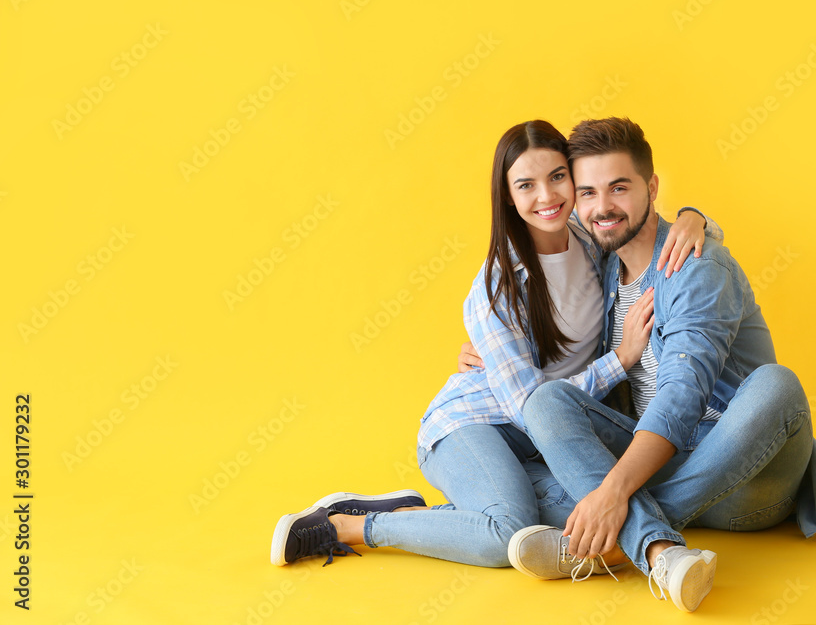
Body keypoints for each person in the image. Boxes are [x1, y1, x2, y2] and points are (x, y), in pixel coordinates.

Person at [269, 120, 724, 569]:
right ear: (508, 195)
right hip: (471, 425)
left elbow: (643, 227)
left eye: (557, 177)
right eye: (526, 185)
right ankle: (352, 524)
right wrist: (619, 360)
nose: (546, 197)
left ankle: (411, 511)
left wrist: (694, 218)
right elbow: (533, 407)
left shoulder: (591, 241)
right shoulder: (495, 289)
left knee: (593, 513)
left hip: (546, 440)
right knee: (507, 531)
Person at [488, 117, 816, 612]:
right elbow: (526, 253)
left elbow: (683, 395)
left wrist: (612, 489)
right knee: (547, 401)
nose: (602, 208)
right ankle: (655, 545)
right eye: (588, 192)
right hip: (659, 460)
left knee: (776, 386)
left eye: (620, 188)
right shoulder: (604, 263)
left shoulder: (697, 267)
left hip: (746, 478)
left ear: (652, 187)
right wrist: (482, 339)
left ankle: (612, 543)